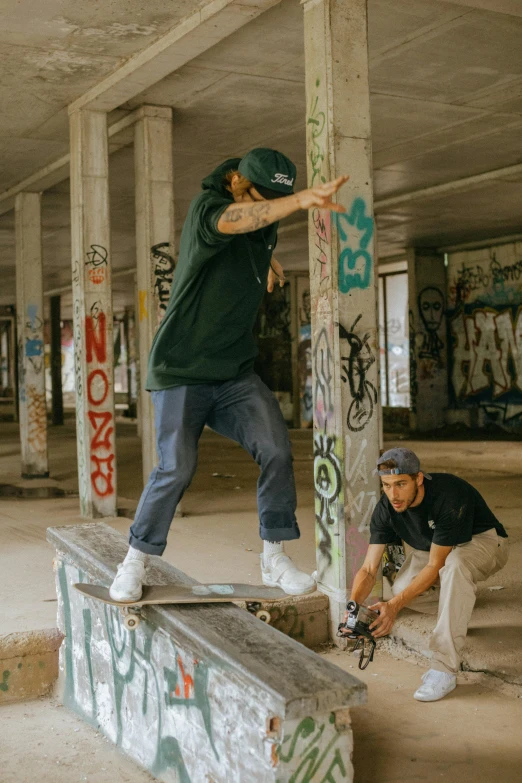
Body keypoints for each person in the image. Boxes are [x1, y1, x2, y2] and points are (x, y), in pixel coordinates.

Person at [110, 147, 348, 602]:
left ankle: (274, 557)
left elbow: (255, 234)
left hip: (234, 371)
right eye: (262, 198)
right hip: (181, 367)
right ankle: (135, 561)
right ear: (238, 182)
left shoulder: (263, 222)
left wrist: (269, 264)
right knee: (176, 467)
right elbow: (237, 222)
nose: (269, 209)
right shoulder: (208, 208)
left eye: (279, 200)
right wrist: (299, 202)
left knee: (277, 450)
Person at [345, 447, 508, 702]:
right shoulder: (386, 508)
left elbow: (435, 566)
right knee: (401, 589)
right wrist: (353, 604)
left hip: (482, 542)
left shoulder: (448, 495)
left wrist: (394, 607)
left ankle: (445, 669)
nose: (393, 494)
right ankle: (459, 598)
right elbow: (368, 569)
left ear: (418, 479)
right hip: (436, 547)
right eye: (386, 485)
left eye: (401, 484)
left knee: (454, 566)